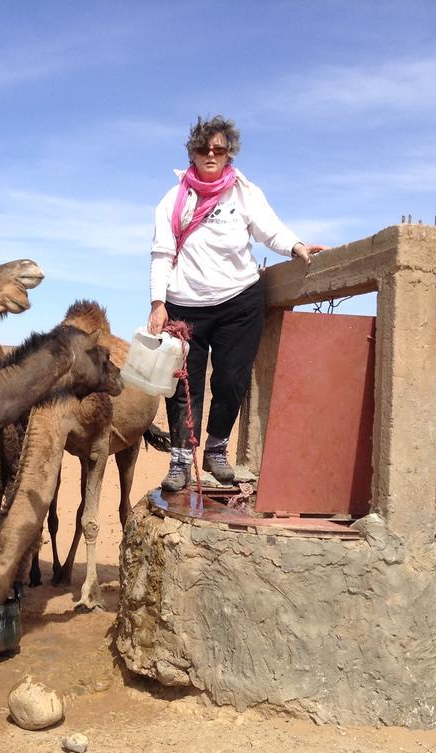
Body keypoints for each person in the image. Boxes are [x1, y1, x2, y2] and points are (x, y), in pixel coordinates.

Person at [148, 115, 327, 490]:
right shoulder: (173, 198)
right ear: (192, 153)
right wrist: (157, 302)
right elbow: (162, 253)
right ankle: (181, 460)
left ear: (229, 153)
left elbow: (269, 229)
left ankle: (216, 449)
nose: (210, 154)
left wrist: (295, 245)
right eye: (203, 148)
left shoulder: (245, 192)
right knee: (183, 386)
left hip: (238, 302)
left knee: (231, 380)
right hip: (184, 306)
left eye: (219, 149)